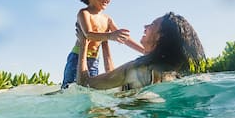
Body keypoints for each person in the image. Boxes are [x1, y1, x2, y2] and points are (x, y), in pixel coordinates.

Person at [76, 12, 206, 90]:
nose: (145, 26)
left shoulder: (135, 68)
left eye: (152, 24)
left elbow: (84, 84)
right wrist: (104, 42)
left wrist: (84, 43)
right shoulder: (171, 74)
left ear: (161, 36)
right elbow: (114, 78)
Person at [61, 0, 145, 89]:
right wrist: (110, 35)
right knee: (69, 88)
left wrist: (144, 51)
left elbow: (125, 38)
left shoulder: (107, 19)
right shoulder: (84, 13)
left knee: (88, 88)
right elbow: (88, 34)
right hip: (78, 56)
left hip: (95, 60)